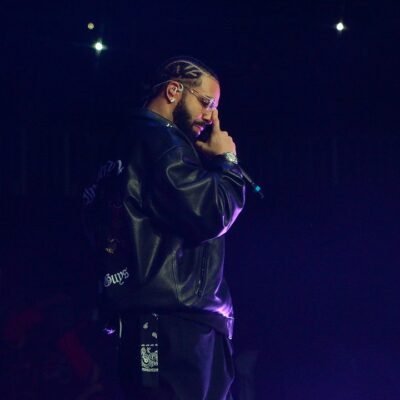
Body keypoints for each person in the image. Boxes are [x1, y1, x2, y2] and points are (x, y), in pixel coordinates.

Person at [83, 56, 246, 399]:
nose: (211, 117)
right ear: (173, 91)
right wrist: (227, 163)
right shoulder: (162, 143)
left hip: (150, 320)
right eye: (206, 102)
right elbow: (212, 212)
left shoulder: (125, 144)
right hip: (174, 324)